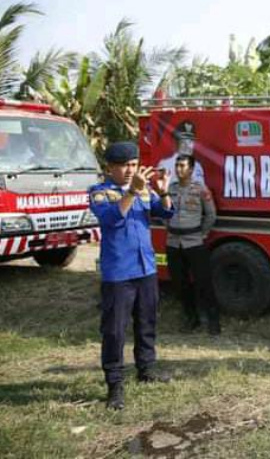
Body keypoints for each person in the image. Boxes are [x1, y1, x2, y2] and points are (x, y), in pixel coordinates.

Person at [89, 141, 174, 410]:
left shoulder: (145, 190)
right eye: (124, 165)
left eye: (134, 164)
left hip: (146, 268)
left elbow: (166, 212)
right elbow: (112, 219)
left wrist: (163, 192)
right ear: (110, 168)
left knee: (147, 322)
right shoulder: (100, 193)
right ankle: (115, 385)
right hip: (118, 273)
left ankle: (146, 369)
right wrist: (132, 192)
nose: (130, 170)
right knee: (114, 330)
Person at [165, 154, 220, 336]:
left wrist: (202, 234)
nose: (179, 169)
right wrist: (170, 227)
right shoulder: (169, 189)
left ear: (191, 169)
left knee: (204, 283)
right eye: (177, 165)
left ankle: (213, 321)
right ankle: (191, 318)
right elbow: (163, 212)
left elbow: (211, 215)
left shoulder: (200, 189)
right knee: (180, 284)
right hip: (173, 243)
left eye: (182, 166)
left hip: (194, 242)